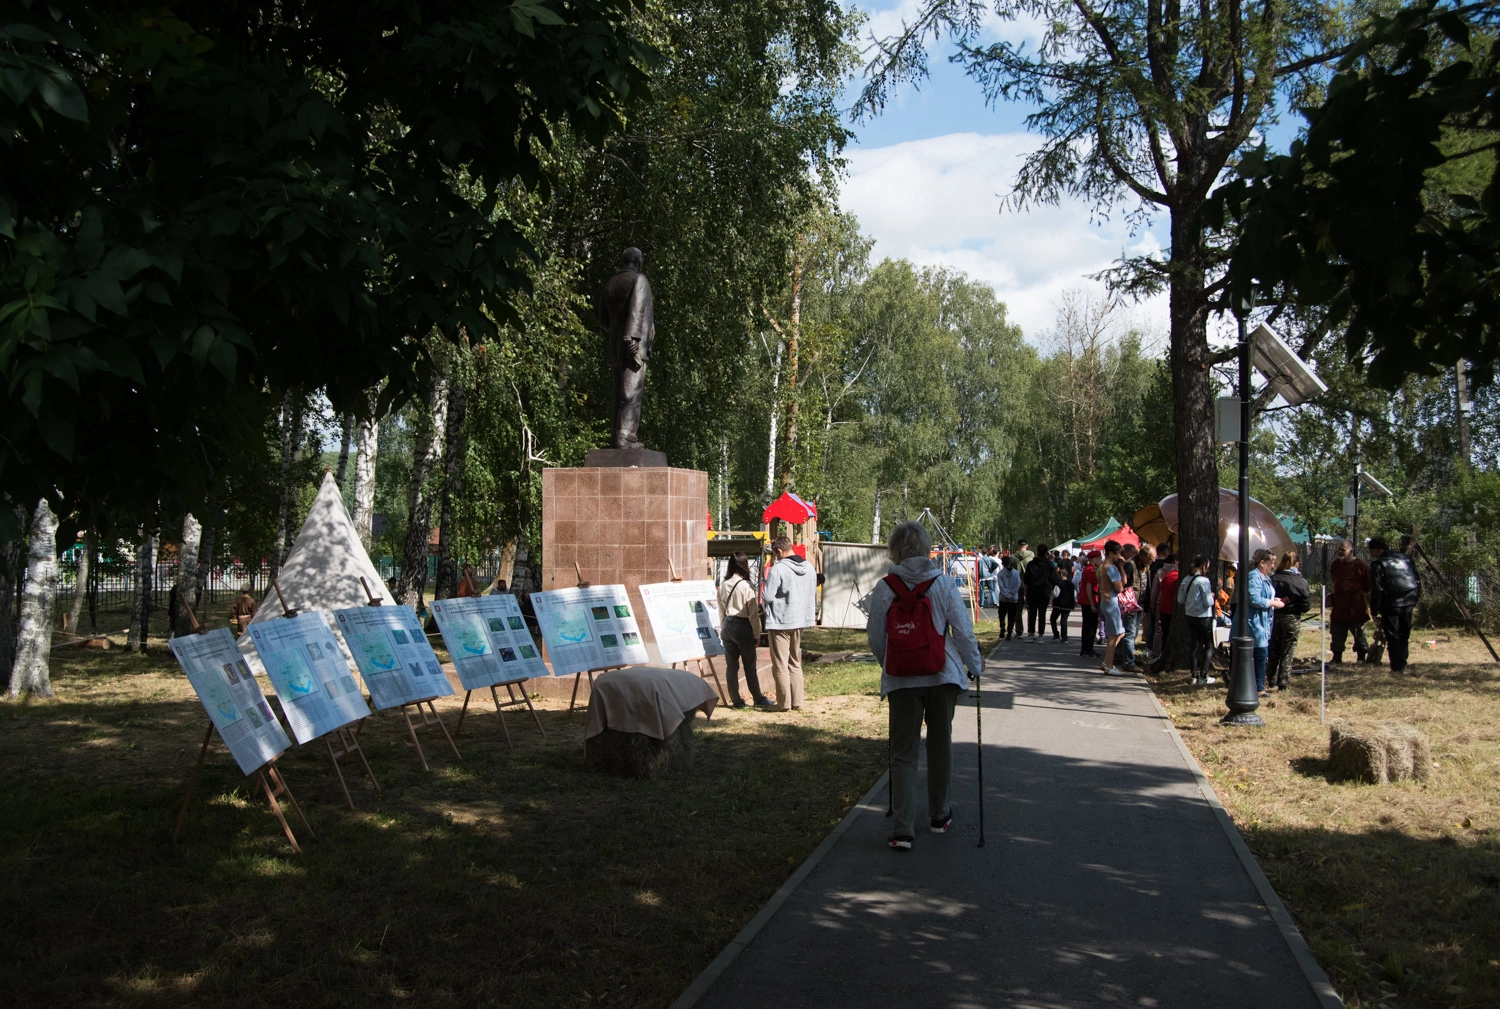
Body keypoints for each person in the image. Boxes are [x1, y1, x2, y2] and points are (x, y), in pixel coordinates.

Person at [866, 521, 982, 851]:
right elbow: (962, 631)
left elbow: (876, 637)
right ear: (927, 547)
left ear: (894, 549)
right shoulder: (942, 584)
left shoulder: (885, 587)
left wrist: (891, 664)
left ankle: (903, 829)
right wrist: (974, 666)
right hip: (941, 675)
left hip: (901, 681)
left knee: (903, 753)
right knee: (940, 745)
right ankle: (939, 816)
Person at [761, 535, 817, 710]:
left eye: (774, 554)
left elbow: (768, 596)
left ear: (779, 551)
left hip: (781, 621)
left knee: (780, 664)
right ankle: (798, 702)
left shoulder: (778, 569)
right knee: (795, 661)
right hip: (800, 619)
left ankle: (784, 703)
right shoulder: (809, 567)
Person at [718, 552, 772, 709]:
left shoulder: (723, 585)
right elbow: (753, 613)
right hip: (743, 626)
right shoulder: (746, 585)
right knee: (749, 665)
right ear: (744, 565)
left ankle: (736, 700)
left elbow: (721, 610)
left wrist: (724, 628)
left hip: (727, 624)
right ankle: (758, 698)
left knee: (731, 666)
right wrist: (757, 633)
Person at [1369, 536, 1421, 674]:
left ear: (1375, 550)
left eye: (1372, 552)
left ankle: (1397, 667)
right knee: (1404, 633)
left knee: (1393, 635)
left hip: (1391, 602)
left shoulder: (1378, 564)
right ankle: (1402, 662)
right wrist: (1415, 598)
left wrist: (1374, 610)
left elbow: (1377, 589)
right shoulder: (1405, 558)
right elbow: (1417, 580)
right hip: (1409, 598)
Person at [1267, 549, 1312, 690]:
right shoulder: (1300, 581)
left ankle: (1271, 679)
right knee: (1288, 650)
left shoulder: (1273, 579)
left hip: (1274, 617)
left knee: (1273, 649)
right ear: (1297, 564)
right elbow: (1306, 605)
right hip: (1292, 618)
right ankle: (1283, 681)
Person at [1246, 549, 1284, 695]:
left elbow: (1264, 595)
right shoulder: (1254, 577)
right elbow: (1254, 599)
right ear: (1262, 563)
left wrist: (1273, 600)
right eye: (1271, 563)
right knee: (1260, 653)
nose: (1273, 566)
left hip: (1263, 622)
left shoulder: (1265, 577)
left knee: (1262, 653)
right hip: (1255, 621)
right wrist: (1272, 603)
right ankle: (1258, 688)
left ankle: (1258, 685)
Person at [1328, 539, 1370, 664]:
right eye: (1339, 549)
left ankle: (1361, 656)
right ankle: (1337, 657)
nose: (1340, 552)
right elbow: (1334, 581)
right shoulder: (1335, 564)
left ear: (1350, 551)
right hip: (1339, 605)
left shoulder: (1360, 565)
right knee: (1337, 632)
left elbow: (1367, 586)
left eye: (1343, 549)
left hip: (1355, 606)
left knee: (1359, 632)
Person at [1177, 555, 1217, 685]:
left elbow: (1180, 599)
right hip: (1203, 617)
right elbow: (1208, 602)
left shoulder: (1186, 579)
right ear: (1204, 566)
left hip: (1190, 615)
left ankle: (1194, 676)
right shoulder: (1203, 581)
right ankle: (1203, 676)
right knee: (1209, 645)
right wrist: (1211, 596)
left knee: (1194, 645)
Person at [1098, 541, 1127, 675]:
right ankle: (1109, 664)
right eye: (1118, 553)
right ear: (1111, 553)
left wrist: (1121, 566)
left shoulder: (1105, 566)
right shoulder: (1109, 567)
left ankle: (1107, 661)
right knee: (1114, 635)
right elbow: (1120, 587)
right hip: (1111, 602)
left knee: (1118, 633)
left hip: (1107, 601)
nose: (1119, 556)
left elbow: (1123, 581)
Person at [1023, 544, 1055, 642]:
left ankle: (1031, 633)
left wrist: (1026, 592)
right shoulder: (1050, 565)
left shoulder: (1031, 564)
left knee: (1032, 613)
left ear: (1037, 552)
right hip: (1044, 591)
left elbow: (1026, 580)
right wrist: (1050, 588)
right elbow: (1053, 579)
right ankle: (1041, 635)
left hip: (1033, 591)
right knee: (1042, 613)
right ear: (1046, 552)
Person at [1077, 551, 1101, 658]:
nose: (1100, 561)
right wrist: (1092, 604)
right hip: (1089, 601)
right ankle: (1088, 649)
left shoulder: (1087, 569)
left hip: (1085, 600)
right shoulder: (1091, 570)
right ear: (1094, 559)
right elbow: (1088, 588)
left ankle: (1085, 649)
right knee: (1091, 626)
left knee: (1087, 625)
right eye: (1099, 559)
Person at [1155, 553, 1180, 653]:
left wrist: (1153, 603)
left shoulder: (1164, 574)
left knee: (1163, 632)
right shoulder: (1180, 576)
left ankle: (1159, 652)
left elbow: (1157, 590)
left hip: (1163, 606)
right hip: (1174, 608)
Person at [996, 555, 1022, 640]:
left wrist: (1006, 595)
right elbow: (1018, 584)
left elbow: (1001, 586)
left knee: (1002, 614)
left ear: (1002, 563)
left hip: (1003, 598)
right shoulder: (1016, 573)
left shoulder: (1000, 574)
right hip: (1014, 598)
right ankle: (1009, 632)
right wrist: (1012, 594)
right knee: (1012, 616)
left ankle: (1002, 626)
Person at [1051, 552, 1076, 642]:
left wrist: (1051, 597)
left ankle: (1056, 634)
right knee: (1064, 620)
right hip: (1068, 604)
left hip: (1059, 604)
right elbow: (1075, 594)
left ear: (1061, 575)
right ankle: (1064, 637)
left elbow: (1055, 594)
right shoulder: (1071, 584)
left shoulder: (1059, 583)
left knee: (1053, 619)